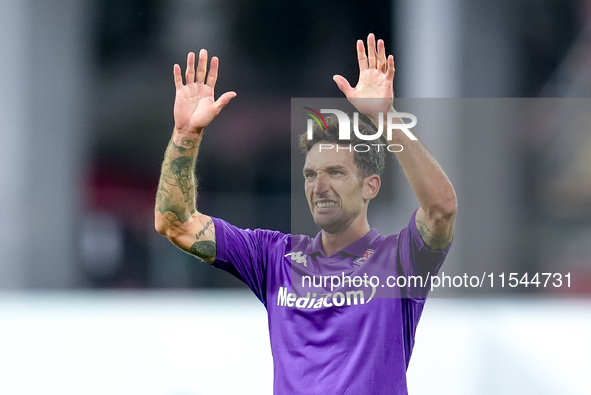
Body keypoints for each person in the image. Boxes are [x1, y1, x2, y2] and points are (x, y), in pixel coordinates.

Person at [155, 33, 457, 394]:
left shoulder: (399, 261)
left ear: (370, 187)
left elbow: (441, 209)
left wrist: (386, 117)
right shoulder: (273, 258)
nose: (319, 186)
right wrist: (186, 134)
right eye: (311, 174)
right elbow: (174, 223)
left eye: (336, 173)